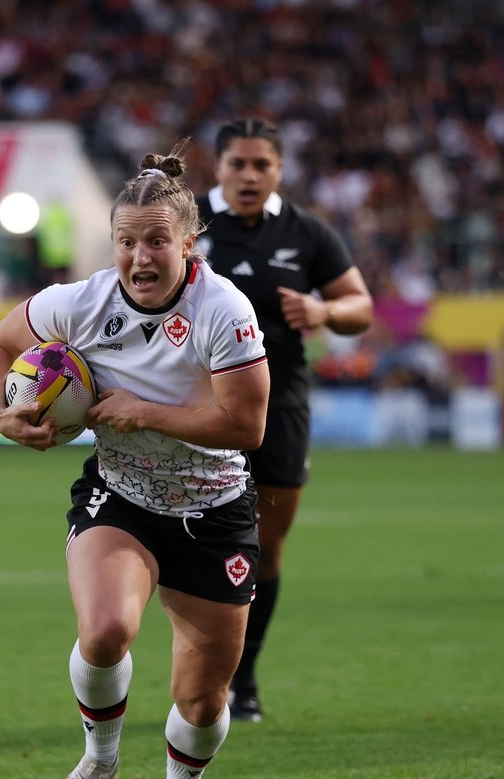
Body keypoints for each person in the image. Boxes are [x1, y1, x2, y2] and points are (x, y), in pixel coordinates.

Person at [0, 146, 269, 779]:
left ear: (189, 243)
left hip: (215, 507)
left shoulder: (222, 309)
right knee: (104, 632)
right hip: (123, 495)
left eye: (157, 240)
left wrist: (146, 411)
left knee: (203, 698)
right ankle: (96, 763)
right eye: (127, 241)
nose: (141, 256)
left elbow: (247, 425)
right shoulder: (80, 302)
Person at [194, 118, 373, 722]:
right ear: (217, 167)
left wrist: (324, 308)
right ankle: (198, 673)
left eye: (261, 165)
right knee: (182, 543)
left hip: (281, 406)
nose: (249, 175)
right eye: (238, 164)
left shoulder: (307, 232)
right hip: (197, 403)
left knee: (265, 551)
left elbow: (361, 307)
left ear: (278, 169)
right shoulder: (186, 221)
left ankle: (243, 681)